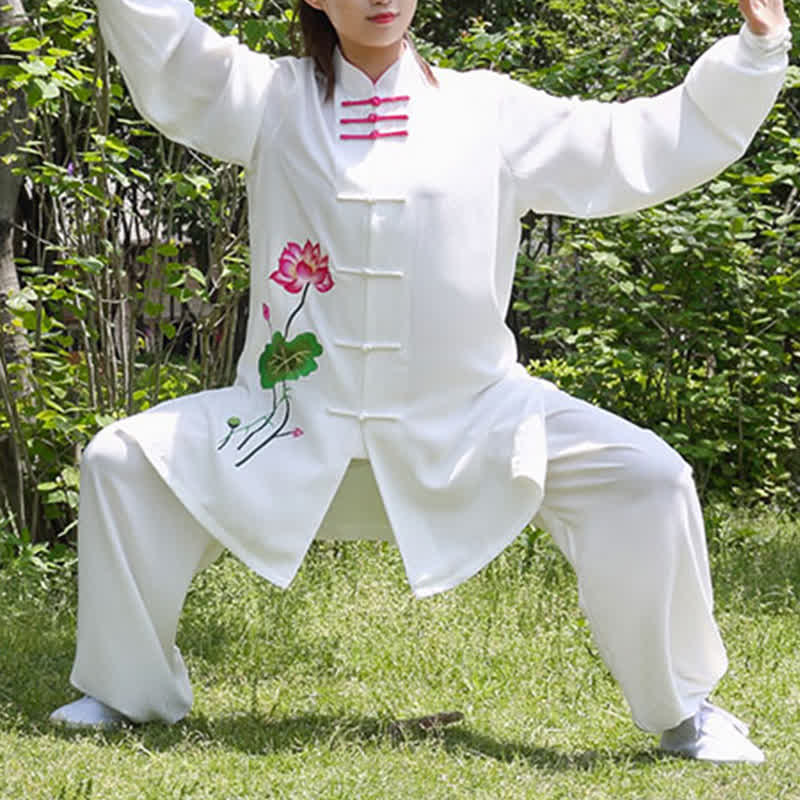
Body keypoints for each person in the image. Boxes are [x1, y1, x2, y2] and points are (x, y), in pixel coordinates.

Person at [49, 0, 790, 763]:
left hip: (473, 423)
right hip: (289, 423)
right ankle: (125, 690)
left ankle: (684, 710)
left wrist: (753, 55)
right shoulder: (269, 101)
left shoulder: (488, 111)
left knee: (648, 478)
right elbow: (170, 52)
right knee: (121, 462)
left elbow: (631, 144)